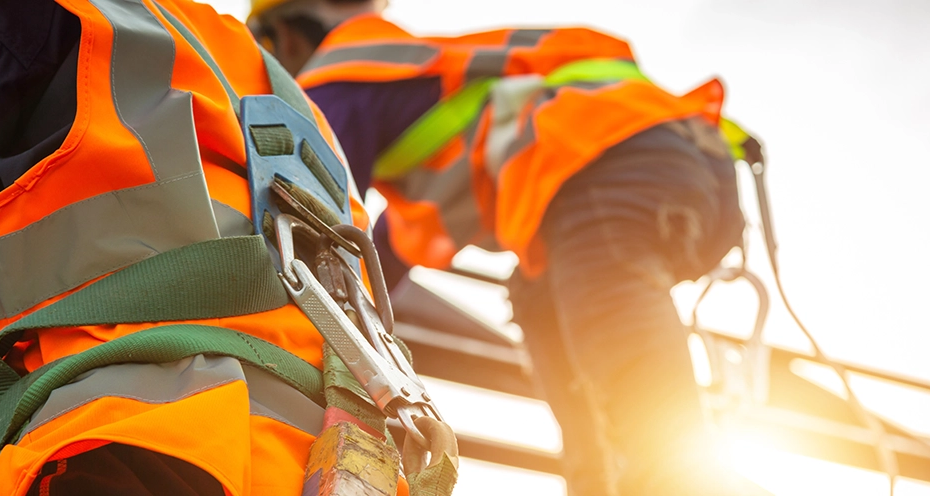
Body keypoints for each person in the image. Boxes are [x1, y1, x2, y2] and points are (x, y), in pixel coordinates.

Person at [0, 0, 454, 494]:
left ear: (286, 30)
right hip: (309, 467)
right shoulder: (306, 122)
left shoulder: (11, 22)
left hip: (134, 443)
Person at [249, 1, 770, 494]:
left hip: (607, 162)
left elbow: (307, 217)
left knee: (630, 372)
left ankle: (675, 481)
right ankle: (608, 481)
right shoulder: (404, 82)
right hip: (667, 167)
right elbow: (375, 263)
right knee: (540, 301)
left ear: (283, 36)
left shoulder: (340, 74)